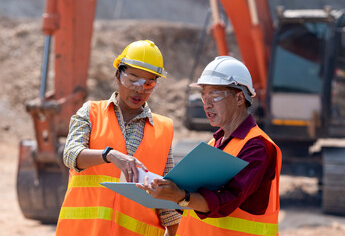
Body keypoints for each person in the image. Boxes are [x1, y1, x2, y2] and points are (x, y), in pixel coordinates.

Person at [137, 56, 282, 236]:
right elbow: (195, 202)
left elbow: (226, 201)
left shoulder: (258, 146)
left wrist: (181, 196)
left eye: (215, 95)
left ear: (239, 98)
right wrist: (170, 192)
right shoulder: (216, 143)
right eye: (204, 95)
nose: (207, 103)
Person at [56, 40, 181, 236]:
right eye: (132, 80)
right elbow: (71, 155)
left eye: (148, 84)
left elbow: (166, 200)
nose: (139, 90)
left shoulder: (164, 129)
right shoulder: (91, 113)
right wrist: (110, 155)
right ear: (118, 75)